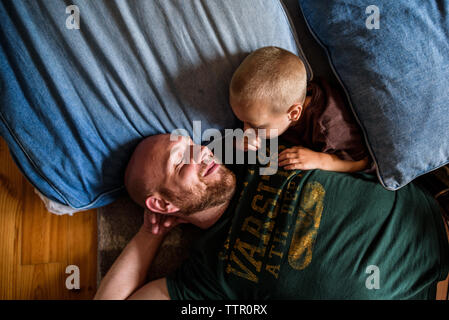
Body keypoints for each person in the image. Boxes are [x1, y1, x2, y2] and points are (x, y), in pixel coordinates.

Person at [95, 134, 449, 300]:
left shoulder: (252, 150)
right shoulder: (206, 274)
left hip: (439, 217)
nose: (201, 152)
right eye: (180, 161)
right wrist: (149, 232)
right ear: (162, 204)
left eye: (191, 144)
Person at [230, 46, 371, 172]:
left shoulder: (328, 127)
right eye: (243, 121)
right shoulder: (278, 107)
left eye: (255, 125)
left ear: (293, 113)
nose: (246, 130)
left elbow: (362, 161)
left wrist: (320, 160)